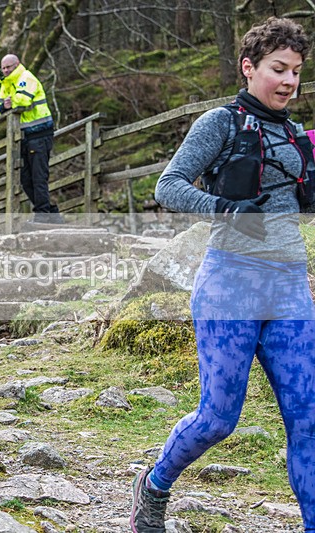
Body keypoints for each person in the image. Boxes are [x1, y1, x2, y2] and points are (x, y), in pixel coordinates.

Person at [131, 18, 315, 532]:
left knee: (309, 421)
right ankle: (154, 485)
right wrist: (227, 209)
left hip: (289, 288)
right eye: (278, 69)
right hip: (231, 282)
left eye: (297, 72)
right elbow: (168, 186)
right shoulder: (221, 122)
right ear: (249, 67)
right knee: (218, 418)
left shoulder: (297, 134)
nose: (289, 81)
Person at [0, 54, 61, 223]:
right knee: (25, 180)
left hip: (39, 134)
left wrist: (11, 103)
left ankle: (42, 214)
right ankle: (51, 214)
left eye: (8, 67)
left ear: (17, 65)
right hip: (23, 137)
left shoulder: (26, 78)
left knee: (38, 176)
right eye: (3, 68)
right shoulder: (6, 83)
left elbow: (23, 100)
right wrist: (6, 105)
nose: (5, 70)